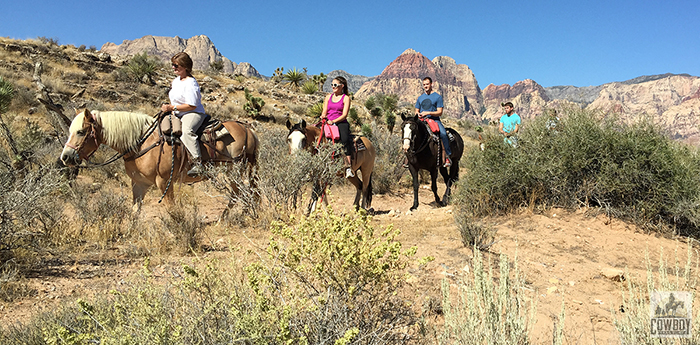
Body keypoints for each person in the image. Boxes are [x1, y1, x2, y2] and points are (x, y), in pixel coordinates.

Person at [161, 52, 207, 177]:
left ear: (185, 66)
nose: (173, 67)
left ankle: (198, 163)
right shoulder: (176, 81)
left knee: (187, 132)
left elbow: (192, 105)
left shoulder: (191, 83)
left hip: (192, 113)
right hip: (177, 112)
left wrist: (172, 107)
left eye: (176, 65)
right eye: (172, 64)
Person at [320, 76, 354, 178]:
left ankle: (348, 167)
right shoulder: (328, 97)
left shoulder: (346, 98)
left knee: (344, 140)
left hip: (340, 122)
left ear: (341, 86)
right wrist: (323, 116)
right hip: (328, 121)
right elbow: (324, 110)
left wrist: (334, 121)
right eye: (332, 85)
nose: (333, 87)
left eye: (335, 85)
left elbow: (344, 115)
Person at [416, 77, 452, 167]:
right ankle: (409, 158)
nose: (425, 86)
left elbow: (440, 112)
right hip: (422, 120)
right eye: (424, 84)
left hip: (434, 120)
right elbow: (416, 110)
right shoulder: (420, 98)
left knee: (443, 134)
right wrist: (418, 114)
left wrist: (428, 112)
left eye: (427, 84)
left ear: (431, 84)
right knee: (412, 132)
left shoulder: (437, 97)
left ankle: (447, 156)